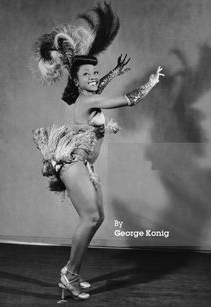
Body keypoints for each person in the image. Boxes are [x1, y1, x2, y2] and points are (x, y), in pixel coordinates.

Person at [32, 3, 164, 301]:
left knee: (98, 217)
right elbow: (129, 99)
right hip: (73, 164)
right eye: (87, 74)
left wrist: (113, 71)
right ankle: (69, 275)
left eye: (96, 71)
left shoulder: (89, 95)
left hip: (84, 166)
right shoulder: (87, 101)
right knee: (90, 219)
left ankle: (73, 273)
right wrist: (151, 83)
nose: (94, 76)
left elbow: (97, 86)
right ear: (76, 81)